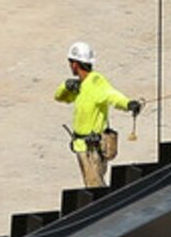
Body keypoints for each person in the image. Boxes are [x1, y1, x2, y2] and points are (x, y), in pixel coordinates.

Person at [53, 40, 143, 189]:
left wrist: (128, 104)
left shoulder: (96, 83)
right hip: (81, 146)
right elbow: (59, 97)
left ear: (75, 64)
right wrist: (66, 86)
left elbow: (112, 96)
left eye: (71, 63)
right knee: (92, 185)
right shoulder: (79, 86)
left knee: (95, 187)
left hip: (92, 149)